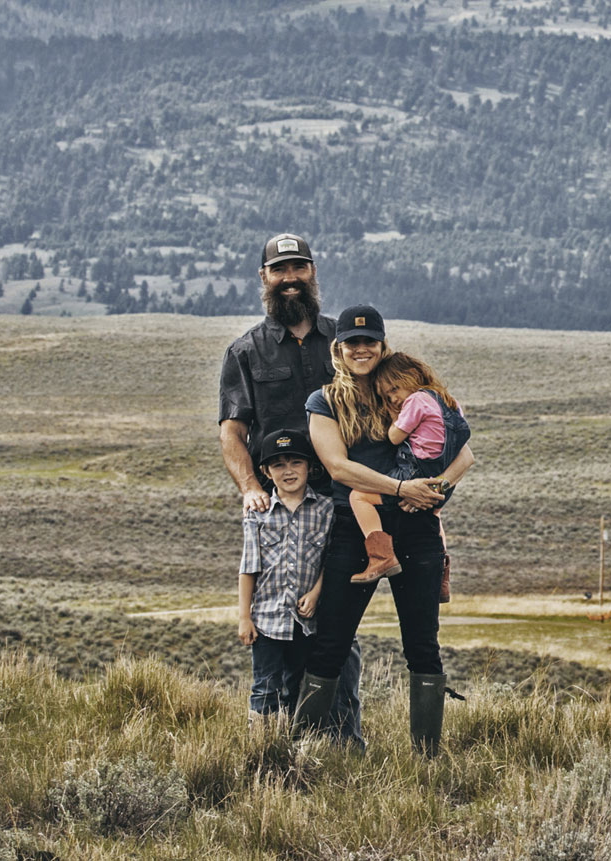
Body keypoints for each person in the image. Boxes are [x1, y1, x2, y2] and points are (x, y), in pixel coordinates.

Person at [295, 305, 474, 755]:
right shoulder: (325, 402)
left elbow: (465, 456)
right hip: (356, 528)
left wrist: (434, 492)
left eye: (369, 341)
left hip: (416, 527)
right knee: (331, 640)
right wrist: (401, 487)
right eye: (352, 342)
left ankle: (427, 759)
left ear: (382, 344)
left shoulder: (408, 394)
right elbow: (338, 467)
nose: (361, 349)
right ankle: (303, 755)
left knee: (422, 644)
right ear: (338, 348)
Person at [217, 232, 365, 745]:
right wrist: (251, 488)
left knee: (337, 629)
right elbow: (233, 432)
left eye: (298, 267)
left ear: (313, 272)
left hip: (343, 508)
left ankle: (340, 744)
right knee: (277, 633)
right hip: (281, 508)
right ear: (264, 279)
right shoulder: (245, 352)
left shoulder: (344, 346)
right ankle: (276, 749)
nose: (289, 279)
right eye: (279, 271)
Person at [347, 352, 471, 584]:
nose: (392, 399)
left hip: (415, 472)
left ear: (412, 377)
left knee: (359, 496)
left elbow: (394, 437)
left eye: (394, 389)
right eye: (386, 397)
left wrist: (394, 416)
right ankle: (442, 574)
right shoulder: (448, 401)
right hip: (442, 479)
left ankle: (380, 556)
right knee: (435, 514)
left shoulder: (415, 401)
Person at [237, 429, 331, 722]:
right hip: (267, 619)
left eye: (295, 463)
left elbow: (331, 558)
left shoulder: (325, 510)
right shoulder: (257, 512)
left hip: (307, 622)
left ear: (310, 467)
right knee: (265, 687)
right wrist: (244, 617)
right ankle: (262, 751)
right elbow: (249, 566)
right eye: (278, 465)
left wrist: (317, 593)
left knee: (297, 687)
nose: (288, 471)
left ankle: (293, 748)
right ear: (265, 470)